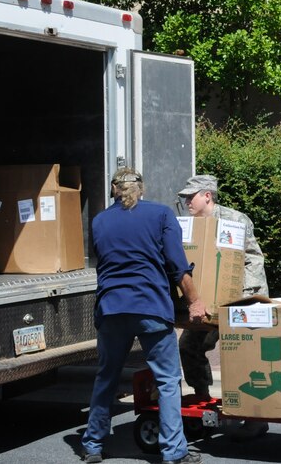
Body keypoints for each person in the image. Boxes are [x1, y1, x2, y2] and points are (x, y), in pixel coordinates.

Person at [81, 167, 205, 464]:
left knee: (106, 377)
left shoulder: (99, 221)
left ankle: (93, 445)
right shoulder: (161, 215)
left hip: (112, 308)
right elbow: (177, 265)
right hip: (150, 306)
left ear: (114, 190)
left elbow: (103, 261)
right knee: (167, 379)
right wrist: (195, 301)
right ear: (142, 189)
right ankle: (174, 451)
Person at [176, 174, 270, 439]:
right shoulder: (190, 226)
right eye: (184, 198)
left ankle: (255, 417)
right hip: (209, 305)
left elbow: (253, 259)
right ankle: (202, 396)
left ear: (207, 195)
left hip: (242, 300)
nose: (186, 202)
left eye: (190, 197)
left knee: (242, 357)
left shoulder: (234, 220)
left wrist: (243, 295)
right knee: (188, 346)